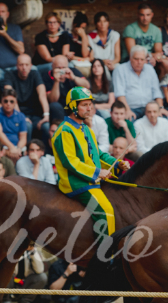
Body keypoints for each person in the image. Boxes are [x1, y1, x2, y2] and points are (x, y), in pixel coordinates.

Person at [50, 87, 122, 246]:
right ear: (73, 107)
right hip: (76, 184)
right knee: (106, 212)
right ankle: (105, 258)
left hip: (92, 179)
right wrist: (97, 173)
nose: (89, 108)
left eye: (90, 104)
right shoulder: (64, 131)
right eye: (84, 104)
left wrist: (116, 164)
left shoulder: (87, 129)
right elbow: (71, 163)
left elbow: (98, 155)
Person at [4, 54, 54, 143]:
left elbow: (42, 95)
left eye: (27, 65)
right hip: (17, 114)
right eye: (21, 65)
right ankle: (26, 152)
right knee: (26, 125)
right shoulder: (10, 74)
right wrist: (21, 117)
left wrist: (46, 115)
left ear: (31, 66)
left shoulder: (35, 74)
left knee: (46, 126)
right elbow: (10, 97)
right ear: (17, 66)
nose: (24, 68)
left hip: (34, 115)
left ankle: (46, 153)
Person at [111, 45, 163, 120]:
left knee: (163, 120)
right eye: (136, 59)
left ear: (145, 60)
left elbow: (156, 92)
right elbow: (120, 94)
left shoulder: (150, 69)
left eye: (142, 59)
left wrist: (160, 108)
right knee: (131, 124)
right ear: (130, 58)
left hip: (149, 109)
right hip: (131, 108)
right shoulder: (120, 70)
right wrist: (127, 110)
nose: (139, 62)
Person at [0, 89, 29, 159]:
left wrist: (18, 149)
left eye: (11, 101)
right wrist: (11, 147)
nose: (8, 104)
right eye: (6, 101)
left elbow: (23, 137)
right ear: (1, 101)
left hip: (17, 148)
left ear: (16, 102)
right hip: (2, 146)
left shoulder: (20, 116)